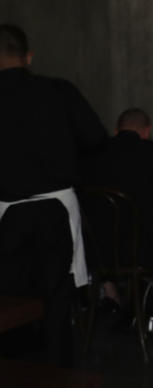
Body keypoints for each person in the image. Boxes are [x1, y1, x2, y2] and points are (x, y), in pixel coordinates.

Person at [0, 23, 107, 365]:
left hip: (5, 211)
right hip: (56, 206)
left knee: (10, 299)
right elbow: (96, 138)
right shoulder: (58, 91)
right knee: (58, 298)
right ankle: (60, 378)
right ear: (28, 56)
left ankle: (16, 376)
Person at [81, 107, 153, 274]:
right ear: (147, 131)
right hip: (150, 249)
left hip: (100, 249)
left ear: (116, 130)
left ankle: (110, 290)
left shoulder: (92, 155)